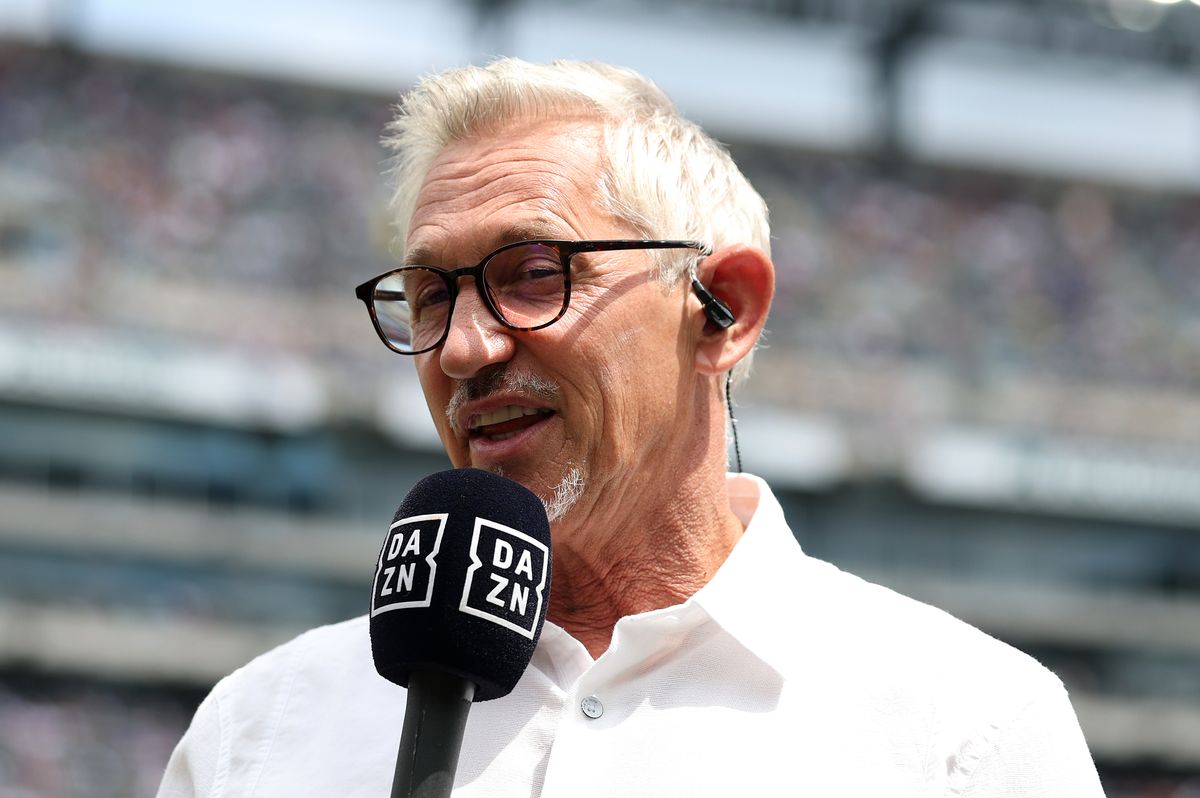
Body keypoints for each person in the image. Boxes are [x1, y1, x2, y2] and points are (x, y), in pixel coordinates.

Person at [157, 59, 1104, 797]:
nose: (462, 349)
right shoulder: (261, 729)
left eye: (534, 273)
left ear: (721, 307)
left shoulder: (965, 730)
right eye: (431, 294)